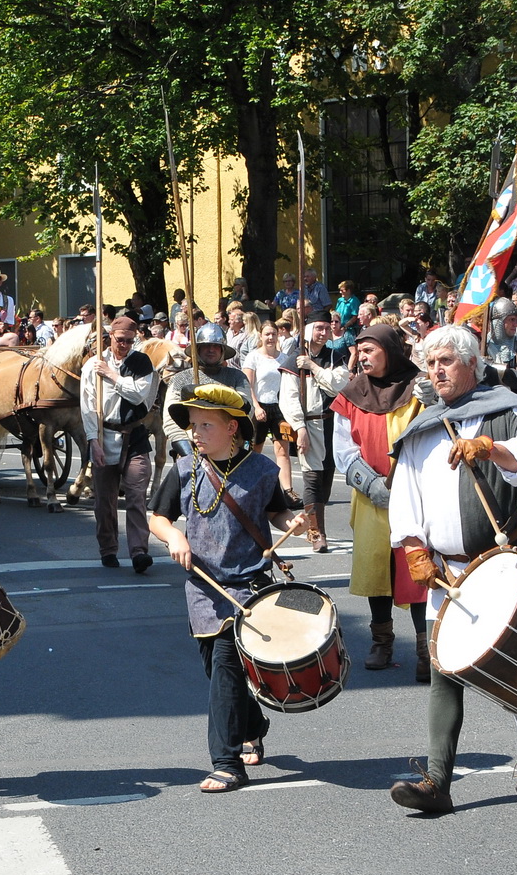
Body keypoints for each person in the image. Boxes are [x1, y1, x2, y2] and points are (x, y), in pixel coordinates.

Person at [385, 324, 517, 812]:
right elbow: (406, 497)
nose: (436, 370)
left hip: (509, 564)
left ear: (473, 365)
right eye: (430, 363)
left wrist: (491, 449)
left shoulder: (510, 411)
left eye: (446, 361)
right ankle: (437, 782)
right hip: (451, 575)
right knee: (444, 672)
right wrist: (416, 550)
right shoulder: (423, 427)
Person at [147, 384, 305, 793]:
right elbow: (155, 518)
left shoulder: (262, 470)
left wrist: (294, 525)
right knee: (216, 671)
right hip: (204, 586)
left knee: (226, 670)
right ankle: (254, 724)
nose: (195, 433)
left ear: (232, 428)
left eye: (205, 425)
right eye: (193, 425)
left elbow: (276, 511)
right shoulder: (183, 470)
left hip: (249, 585)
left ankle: (227, 762)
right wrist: (174, 537)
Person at [333, 324, 430, 675]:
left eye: (370, 350)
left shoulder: (418, 388)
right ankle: (382, 642)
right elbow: (343, 449)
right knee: (378, 569)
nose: (362, 357)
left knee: (417, 570)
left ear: (389, 350)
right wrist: (371, 484)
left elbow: (434, 433)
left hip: (416, 495)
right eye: (359, 351)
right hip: (370, 496)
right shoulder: (351, 394)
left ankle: (425, 649)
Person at [81, 317, 157, 570]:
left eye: (128, 340)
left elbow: (138, 395)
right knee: (105, 499)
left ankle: (138, 552)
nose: (123, 345)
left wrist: (113, 376)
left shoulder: (141, 363)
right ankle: (108, 549)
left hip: (134, 435)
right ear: (110, 337)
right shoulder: (93, 364)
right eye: (119, 340)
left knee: (136, 495)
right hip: (104, 434)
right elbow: (88, 405)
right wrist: (93, 440)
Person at [279, 310, 348, 553]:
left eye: (326, 328)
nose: (323, 332)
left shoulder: (335, 356)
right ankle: (317, 532)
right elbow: (288, 398)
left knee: (326, 481)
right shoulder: (292, 361)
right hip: (309, 425)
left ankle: (316, 523)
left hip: (334, 424)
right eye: (318, 327)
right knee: (311, 480)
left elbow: (340, 385)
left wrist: (313, 368)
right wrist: (300, 428)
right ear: (308, 331)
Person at [159, 324, 253, 459]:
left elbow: (247, 409)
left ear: (222, 351)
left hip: (229, 447)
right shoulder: (181, 378)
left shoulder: (237, 377)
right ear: (197, 350)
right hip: (192, 447)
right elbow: (171, 419)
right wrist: (189, 455)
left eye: (215, 346)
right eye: (206, 346)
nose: (211, 350)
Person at [243, 321, 294, 501]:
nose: (270, 337)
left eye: (273, 334)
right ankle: (252, 489)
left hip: (280, 407)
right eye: (267, 334)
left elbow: (290, 385)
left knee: (282, 451)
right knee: (256, 449)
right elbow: (247, 385)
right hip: (260, 406)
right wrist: (256, 407)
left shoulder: (284, 358)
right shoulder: (253, 357)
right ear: (261, 336)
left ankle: (287, 491)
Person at [484, 299, 517, 396]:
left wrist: (498, 370)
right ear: (498, 322)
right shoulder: (481, 345)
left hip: (515, 401)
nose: (515, 324)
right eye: (511, 319)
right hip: (486, 400)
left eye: (516, 320)